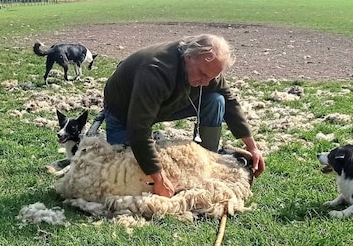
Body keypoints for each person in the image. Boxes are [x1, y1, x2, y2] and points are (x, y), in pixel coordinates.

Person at [102, 33, 266, 198]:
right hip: (124, 110)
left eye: (212, 77)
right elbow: (138, 127)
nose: (206, 82)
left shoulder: (207, 68)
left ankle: (208, 160)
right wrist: (159, 177)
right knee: (125, 170)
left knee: (217, 100)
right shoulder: (156, 71)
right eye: (202, 74)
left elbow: (230, 103)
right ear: (189, 57)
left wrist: (252, 147)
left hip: (167, 102)